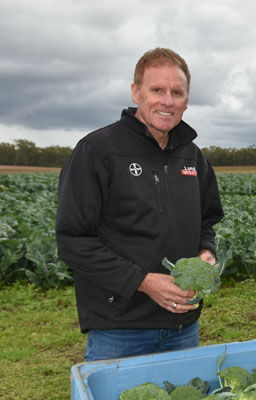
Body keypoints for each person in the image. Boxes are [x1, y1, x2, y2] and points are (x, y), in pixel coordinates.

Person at [55, 47, 224, 361]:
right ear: (136, 92)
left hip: (183, 326)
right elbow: (72, 240)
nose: (167, 101)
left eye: (177, 92)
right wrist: (144, 282)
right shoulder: (97, 151)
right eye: (157, 90)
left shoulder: (194, 158)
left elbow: (206, 222)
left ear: (187, 99)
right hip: (120, 327)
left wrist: (206, 252)